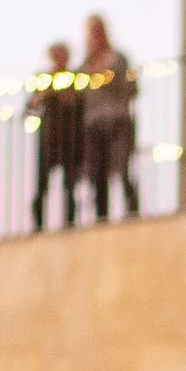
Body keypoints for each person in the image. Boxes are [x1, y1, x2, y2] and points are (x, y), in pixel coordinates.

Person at [79, 12, 139, 219]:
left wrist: (109, 79)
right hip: (94, 124)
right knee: (97, 174)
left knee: (122, 169)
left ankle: (132, 212)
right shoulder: (85, 64)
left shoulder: (118, 59)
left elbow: (132, 87)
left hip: (118, 121)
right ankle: (101, 217)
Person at [26, 41, 79, 229]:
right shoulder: (43, 79)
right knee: (42, 184)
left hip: (69, 137)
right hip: (48, 137)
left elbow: (79, 104)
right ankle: (38, 225)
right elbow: (30, 106)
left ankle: (70, 223)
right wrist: (44, 94)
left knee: (70, 185)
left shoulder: (74, 78)